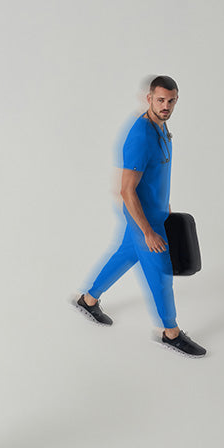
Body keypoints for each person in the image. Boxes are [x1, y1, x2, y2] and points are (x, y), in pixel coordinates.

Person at [73, 76, 205, 357]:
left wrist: (165, 205)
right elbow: (126, 190)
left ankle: (88, 300)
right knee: (161, 275)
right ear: (149, 99)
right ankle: (171, 333)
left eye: (171, 101)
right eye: (160, 100)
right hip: (143, 218)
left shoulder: (161, 125)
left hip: (156, 213)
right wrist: (147, 231)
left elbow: (156, 175)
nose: (166, 106)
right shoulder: (141, 136)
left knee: (124, 255)